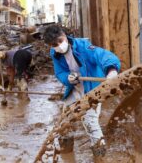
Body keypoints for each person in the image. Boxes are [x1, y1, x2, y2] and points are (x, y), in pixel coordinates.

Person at [43, 25, 120, 156]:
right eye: (54, 44)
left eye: (60, 41)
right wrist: (68, 78)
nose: (59, 46)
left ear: (65, 36)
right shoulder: (55, 54)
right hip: (74, 88)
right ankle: (67, 152)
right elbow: (59, 72)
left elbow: (102, 55)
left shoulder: (83, 46)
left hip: (91, 89)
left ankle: (100, 155)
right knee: (65, 121)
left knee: (90, 122)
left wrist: (111, 70)